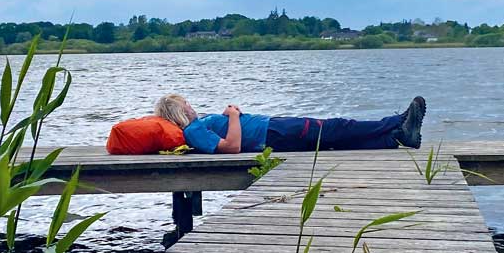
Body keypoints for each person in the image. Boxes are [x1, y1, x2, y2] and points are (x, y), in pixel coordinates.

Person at [154, 94, 426, 153]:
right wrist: (234, 115)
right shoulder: (193, 130)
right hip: (273, 132)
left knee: (336, 140)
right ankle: (397, 121)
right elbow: (231, 147)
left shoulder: (196, 129)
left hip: (273, 129)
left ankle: (397, 139)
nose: (192, 106)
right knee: (337, 128)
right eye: (186, 104)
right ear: (179, 111)